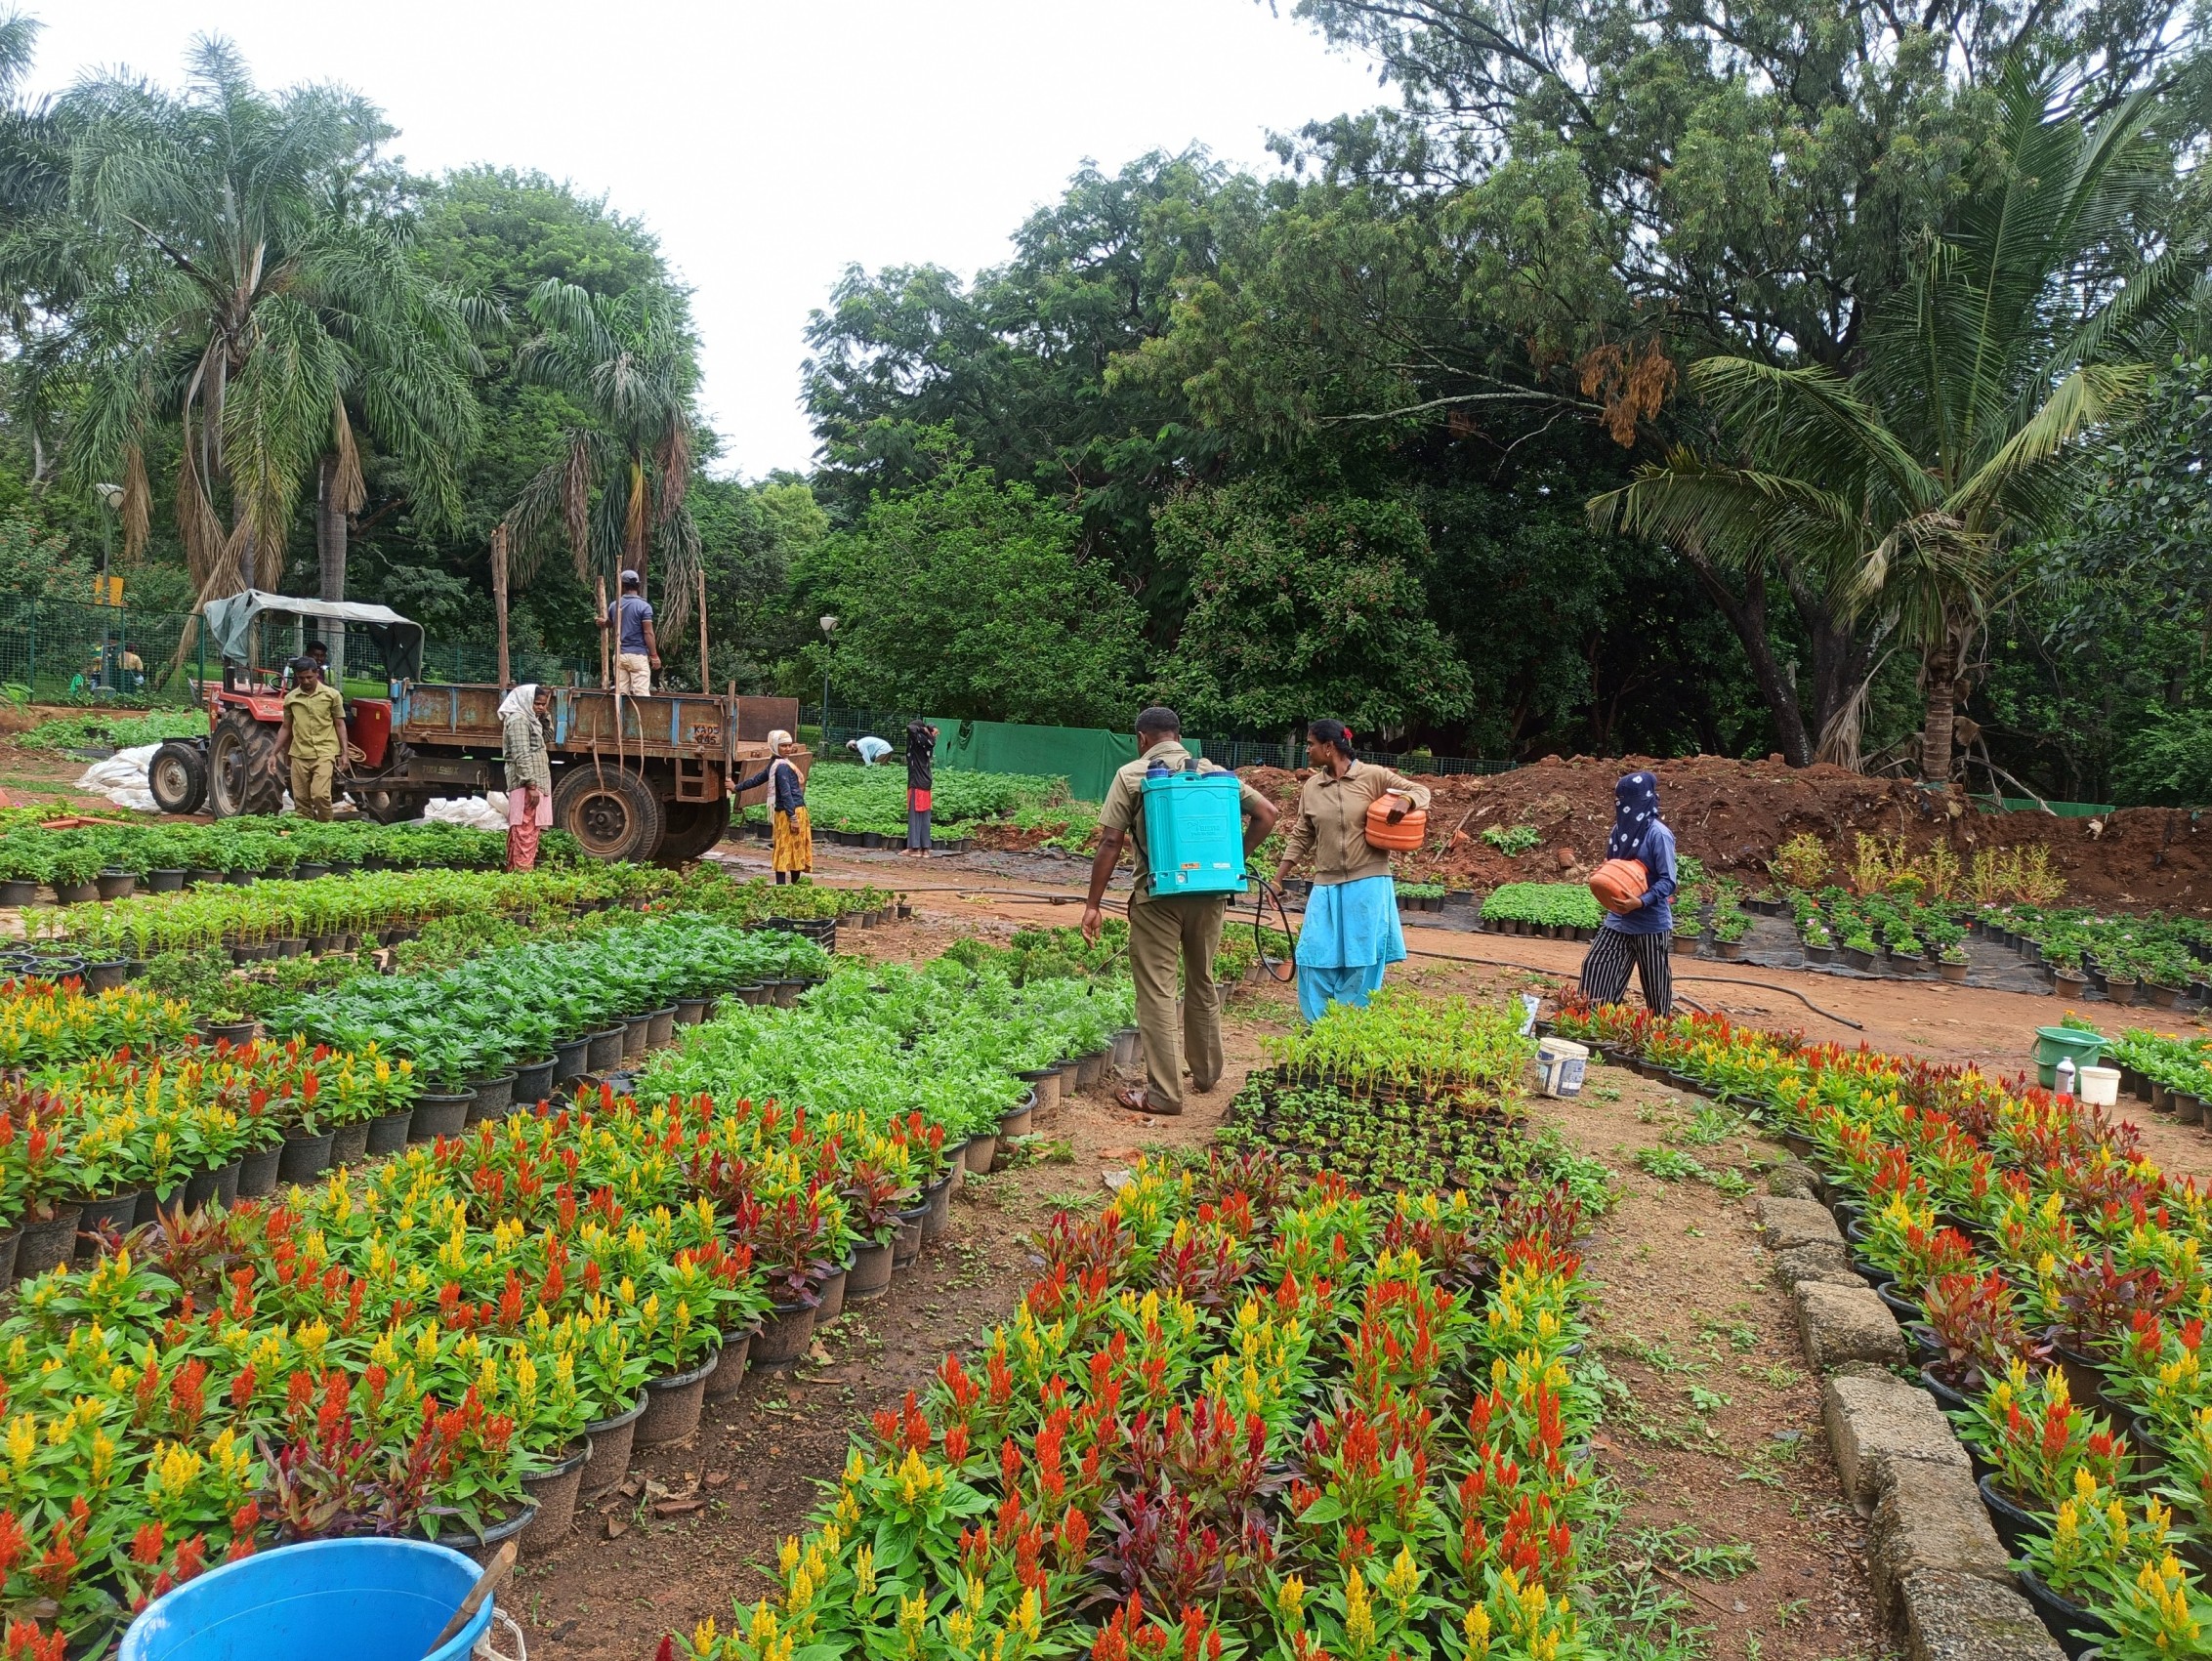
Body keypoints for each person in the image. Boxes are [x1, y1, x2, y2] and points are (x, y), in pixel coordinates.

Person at [1081, 707, 1277, 1116]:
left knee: (1157, 991)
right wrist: (1233, 860)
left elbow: (1111, 842)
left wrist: (1093, 905)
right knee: (1202, 979)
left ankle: (1164, 1095)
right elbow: (1268, 814)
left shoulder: (1132, 775)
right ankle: (1206, 1074)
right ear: (1177, 736)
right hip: (1210, 895)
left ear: (1142, 739)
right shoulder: (1213, 772)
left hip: (1157, 898)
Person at [1277, 719, 1432, 1021]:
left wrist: (1406, 800)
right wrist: (1278, 877)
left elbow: (1421, 791)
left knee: (1362, 959)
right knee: (1313, 955)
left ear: (1329, 747)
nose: (1307, 750)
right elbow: (1302, 834)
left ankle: (1350, 1024)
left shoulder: (1373, 777)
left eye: (1310, 744)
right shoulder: (1312, 787)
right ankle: (1320, 1026)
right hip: (1326, 883)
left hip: (1368, 881)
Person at [1578, 770, 1678, 1015]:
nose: (1622, 805)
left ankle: (1658, 1029)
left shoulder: (1658, 834)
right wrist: (1604, 872)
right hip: (1618, 919)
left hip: (1650, 924)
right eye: (1619, 799)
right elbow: (1614, 865)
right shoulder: (1619, 830)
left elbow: (1668, 881)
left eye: (1627, 799)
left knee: (1655, 985)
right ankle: (1593, 1023)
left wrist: (1641, 901)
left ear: (1644, 799)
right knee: (1595, 968)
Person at [736, 729, 812, 884]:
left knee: (787, 848)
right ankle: (789, 886)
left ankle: (785, 886)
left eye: (789, 745)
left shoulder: (779, 764)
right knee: (790, 848)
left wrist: (793, 817)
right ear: (774, 746)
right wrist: (736, 787)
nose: (788, 749)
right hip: (790, 812)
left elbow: (785, 792)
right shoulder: (779, 765)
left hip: (790, 812)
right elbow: (762, 781)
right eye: (783, 746)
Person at [277, 655, 346, 822]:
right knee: (301, 800)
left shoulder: (332, 695)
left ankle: (326, 828)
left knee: (320, 795)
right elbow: (286, 727)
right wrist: (274, 752)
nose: (306, 681)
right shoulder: (291, 698)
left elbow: (339, 724)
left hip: (325, 751)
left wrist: (345, 753)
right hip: (300, 753)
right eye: (301, 678)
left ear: (316, 674)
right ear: (296, 677)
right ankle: (306, 831)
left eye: (309, 677)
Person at [500, 683, 554, 872]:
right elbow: (521, 754)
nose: (540, 707)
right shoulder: (519, 720)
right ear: (525, 701)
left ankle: (517, 872)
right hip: (527, 784)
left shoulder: (531, 719)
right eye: (537, 704)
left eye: (543, 704)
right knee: (525, 829)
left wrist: (545, 716)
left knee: (527, 829)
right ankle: (522, 874)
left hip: (534, 781)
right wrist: (531, 785)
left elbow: (547, 737)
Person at [601, 570, 659, 695]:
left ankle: (620, 709)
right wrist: (654, 656)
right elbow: (648, 633)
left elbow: (610, 623)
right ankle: (641, 709)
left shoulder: (614, 605)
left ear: (622, 586)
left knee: (621, 694)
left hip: (620, 656)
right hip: (637, 656)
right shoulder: (644, 606)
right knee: (641, 694)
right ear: (638, 585)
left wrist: (603, 623)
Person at [904, 719, 939, 856]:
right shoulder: (929, 741)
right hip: (926, 782)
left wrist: (923, 729)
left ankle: (914, 848)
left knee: (914, 815)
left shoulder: (917, 739)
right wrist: (929, 730)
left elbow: (910, 728)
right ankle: (925, 849)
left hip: (916, 782)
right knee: (925, 816)